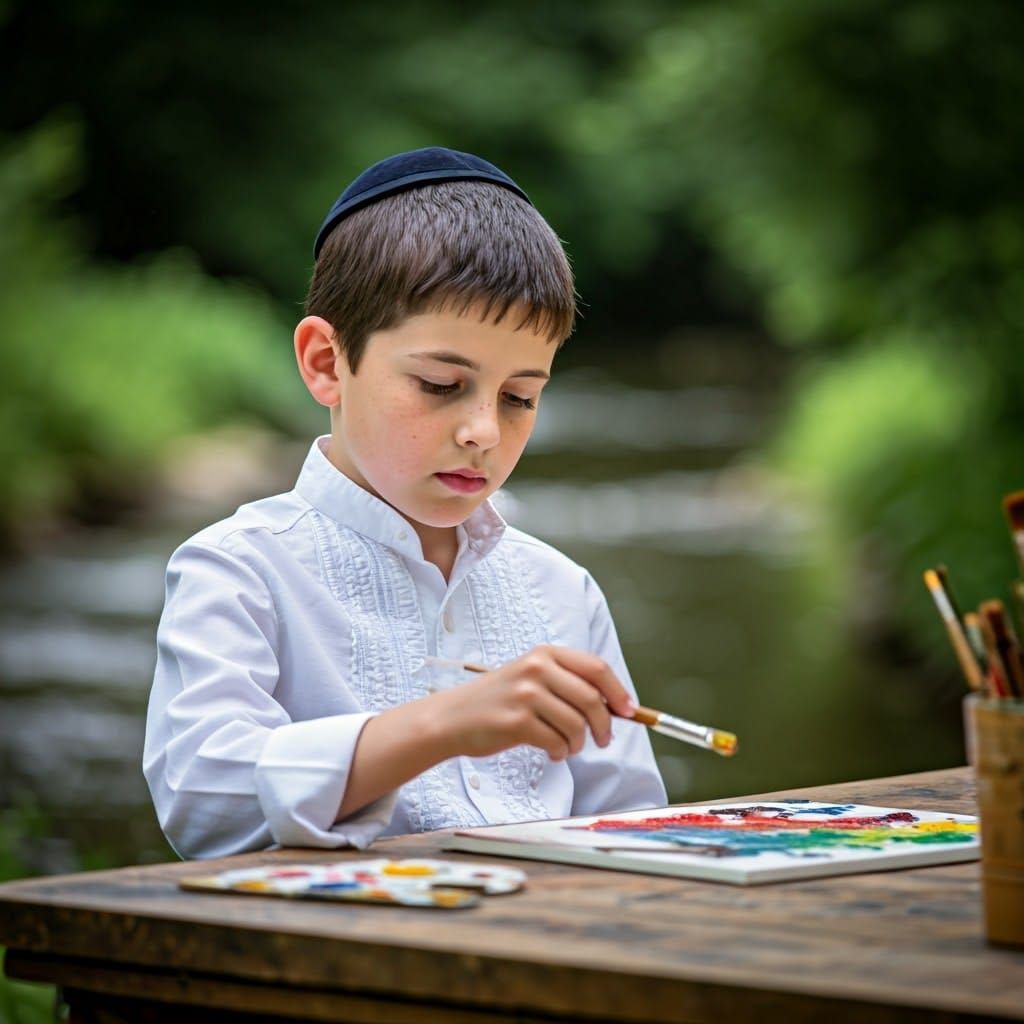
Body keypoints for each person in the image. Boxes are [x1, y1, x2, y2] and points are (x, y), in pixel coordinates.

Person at [143, 147, 667, 859]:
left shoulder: (562, 592)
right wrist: (441, 725)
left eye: (519, 397)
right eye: (441, 384)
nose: (484, 431)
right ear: (327, 363)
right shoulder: (239, 571)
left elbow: (631, 828)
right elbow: (203, 801)